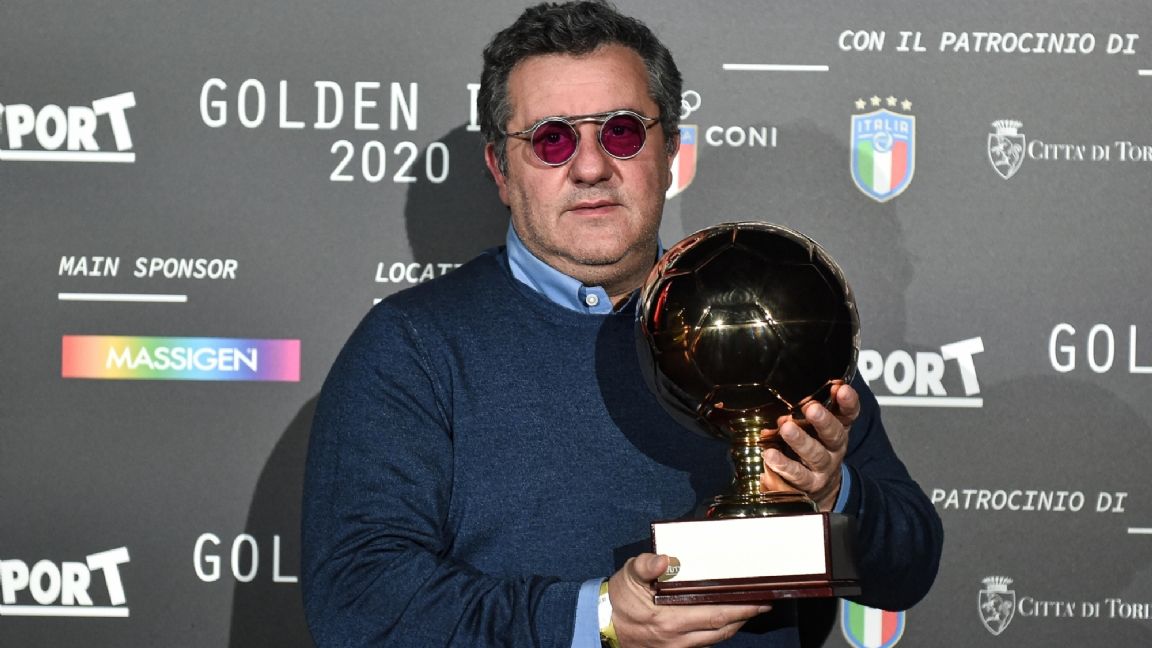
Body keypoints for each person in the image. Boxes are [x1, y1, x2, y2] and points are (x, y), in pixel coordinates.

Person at [301, 2, 944, 647]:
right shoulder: (411, 347)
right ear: (500, 168)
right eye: (552, 140)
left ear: (671, 151)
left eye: (622, 132)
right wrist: (597, 619)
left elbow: (909, 568)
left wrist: (832, 495)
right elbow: (360, 606)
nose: (590, 167)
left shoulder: (762, 316)